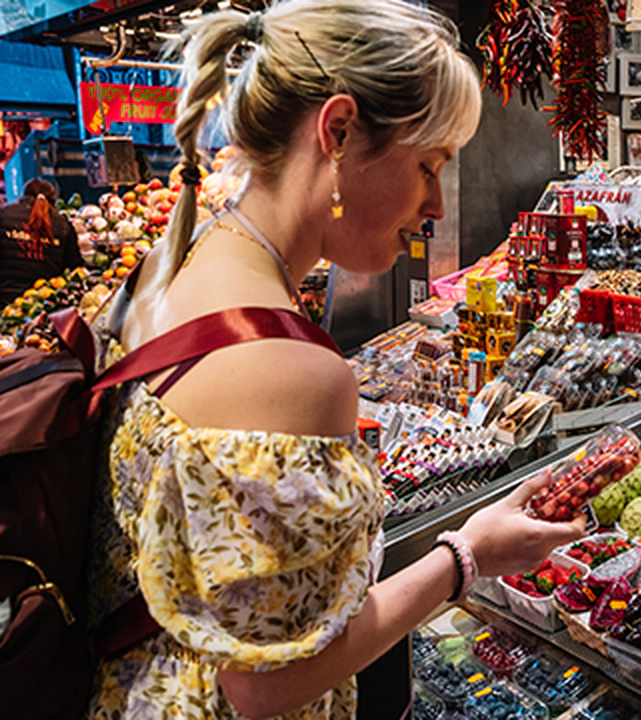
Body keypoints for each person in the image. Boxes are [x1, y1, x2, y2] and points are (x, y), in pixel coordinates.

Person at [85, 2, 583, 718]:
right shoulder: (291, 370)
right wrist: (465, 557)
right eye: (428, 166)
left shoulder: (167, 269)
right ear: (339, 131)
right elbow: (266, 683)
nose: (436, 205)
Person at [0, 178, 83, 305]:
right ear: (53, 201)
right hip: (43, 305)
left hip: (5, 301)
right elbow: (74, 268)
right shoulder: (63, 225)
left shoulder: (4, 215)